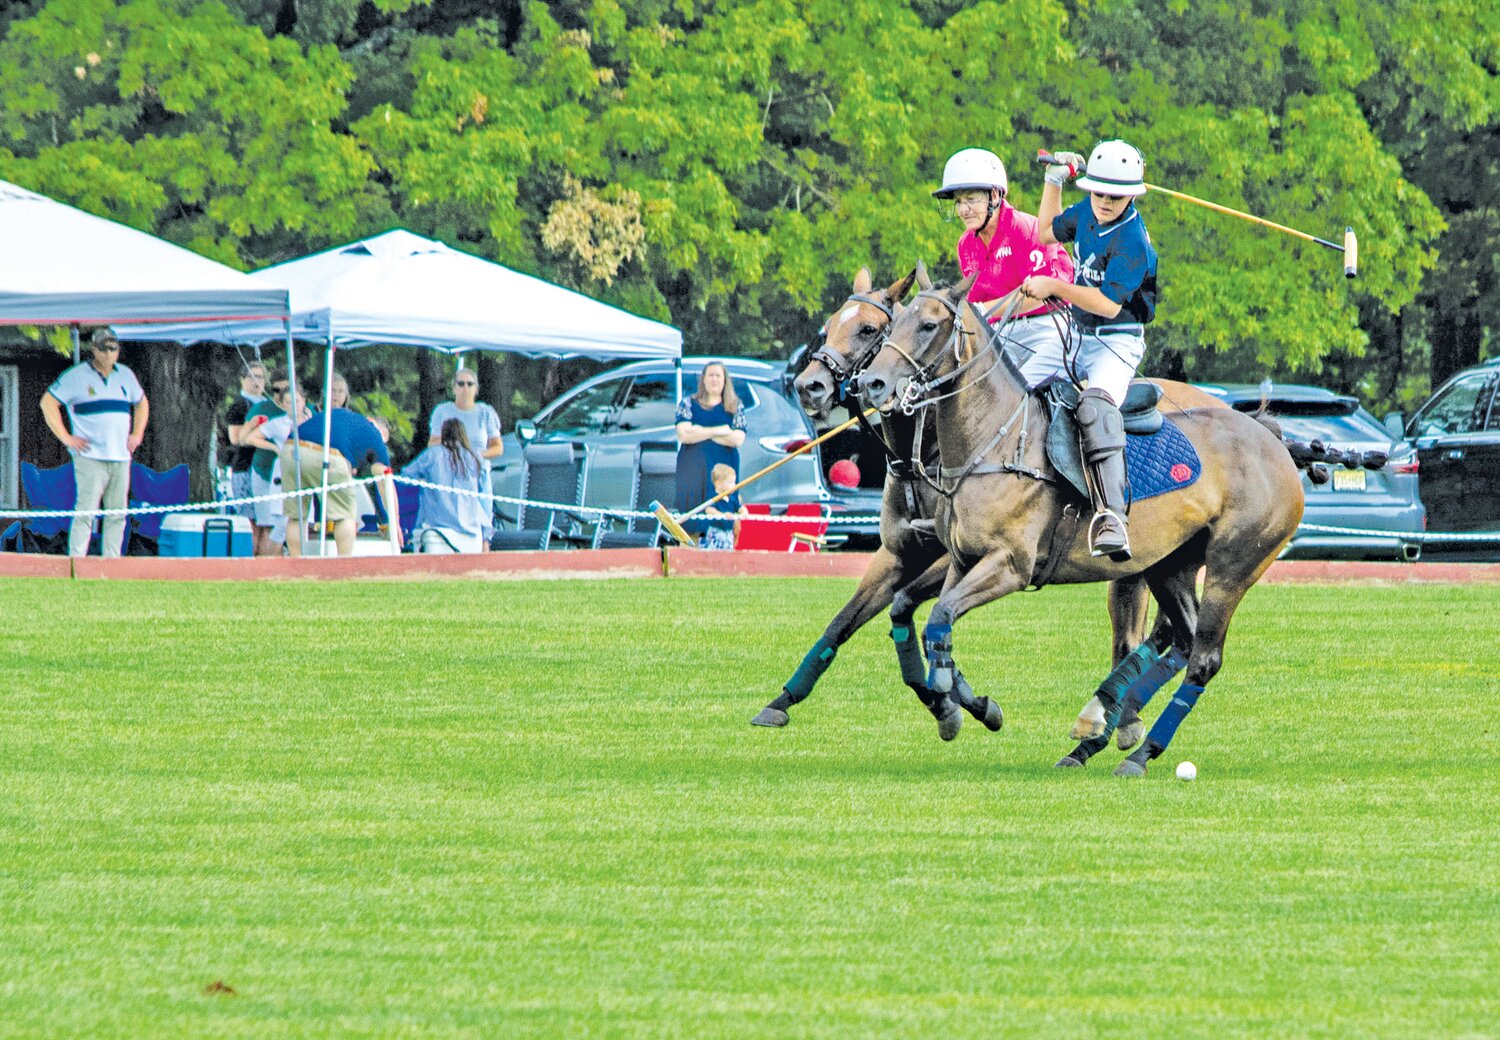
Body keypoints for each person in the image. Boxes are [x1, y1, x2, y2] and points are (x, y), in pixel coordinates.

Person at [1023, 139, 1159, 560]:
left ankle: (1112, 517)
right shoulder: (1086, 212)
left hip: (1116, 343)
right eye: (1098, 191)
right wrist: (1053, 181)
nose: (1104, 201)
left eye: (1114, 196)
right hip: (1075, 334)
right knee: (1017, 388)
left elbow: (1106, 304)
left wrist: (1054, 286)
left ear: (1131, 196)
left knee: (1096, 406)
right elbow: (1045, 232)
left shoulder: (1134, 241)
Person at [931, 148, 1075, 388]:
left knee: (1022, 389)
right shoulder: (965, 245)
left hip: (1047, 327)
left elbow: (1042, 296)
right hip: (1000, 333)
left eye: (971, 199)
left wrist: (980, 310)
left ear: (995, 196)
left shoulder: (1027, 229)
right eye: (958, 202)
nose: (963, 209)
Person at [39, 329, 150, 557]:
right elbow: (48, 403)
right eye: (104, 348)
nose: (109, 353)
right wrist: (66, 437)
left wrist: (137, 434)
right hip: (90, 456)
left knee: (117, 513)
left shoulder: (126, 376)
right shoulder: (76, 376)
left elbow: (141, 403)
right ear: (94, 349)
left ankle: (111, 561)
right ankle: (77, 561)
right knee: (86, 511)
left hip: (120, 456)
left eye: (113, 348)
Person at [281, 405, 398, 557]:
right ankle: (344, 563)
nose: (380, 444)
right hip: (327, 455)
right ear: (373, 424)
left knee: (297, 515)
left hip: (291, 449)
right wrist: (395, 523)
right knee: (345, 516)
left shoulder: (342, 416)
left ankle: (296, 564)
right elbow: (385, 482)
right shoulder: (373, 432)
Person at [674, 361, 746, 537]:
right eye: (710, 375)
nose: (714, 379)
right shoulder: (688, 404)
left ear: (724, 380)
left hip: (723, 468)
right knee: (692, 516)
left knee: (721, 509)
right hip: (692, 469)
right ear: (703, 379)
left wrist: (700, 431)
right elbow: (684, 435)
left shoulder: (735, 406)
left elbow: (737, 439)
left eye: (718, 375)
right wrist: (719, 430)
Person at [403, 418, 494, 553]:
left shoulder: (432, 455)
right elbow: (483, 494)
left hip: (438, 528)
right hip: (471, 529)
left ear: (443, 434)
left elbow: (406, 475)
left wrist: (424, 480)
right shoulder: (474, 458)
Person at [240, 371, 295, 555]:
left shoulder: (303, 410)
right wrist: (272, 447)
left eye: (286, 389)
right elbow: (243, 438)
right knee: (267, 524)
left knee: (287, 523)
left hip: (292, 475)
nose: (281, 394)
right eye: (276, 390)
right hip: (265, 471)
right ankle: (263, 567)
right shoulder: (262, 407)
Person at [222, 360, 266, 522]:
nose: (257, 381)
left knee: (266, 521)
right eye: (253, 377)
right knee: (250, 520)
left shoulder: (268, 404)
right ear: (242, 379)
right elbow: (235, 438)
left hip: (265, 469)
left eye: (261, 377)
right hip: (245, 466)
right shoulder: (238, 405)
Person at [428, 367, 503, 459]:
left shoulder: (486, 412)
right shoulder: (442, 411)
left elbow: (498, 447)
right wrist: (450, 443)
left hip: (478, 468)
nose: (465, 387)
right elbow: (432, 444)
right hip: (449, 467)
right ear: (454, 388)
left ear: (476, 389)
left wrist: (478, 455)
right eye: (461, 384)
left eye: (470, 384)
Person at [701, 463, 745, 550]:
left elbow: (740, 508)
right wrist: (723, 515)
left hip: (728, 533)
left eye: (734, 482)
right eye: (730, 482)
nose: (734, 485)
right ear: (718, 484)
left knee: (728, 553)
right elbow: (709, 510)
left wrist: (743, 513)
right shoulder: (714, 497)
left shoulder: (732, 499)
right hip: (716, 532)